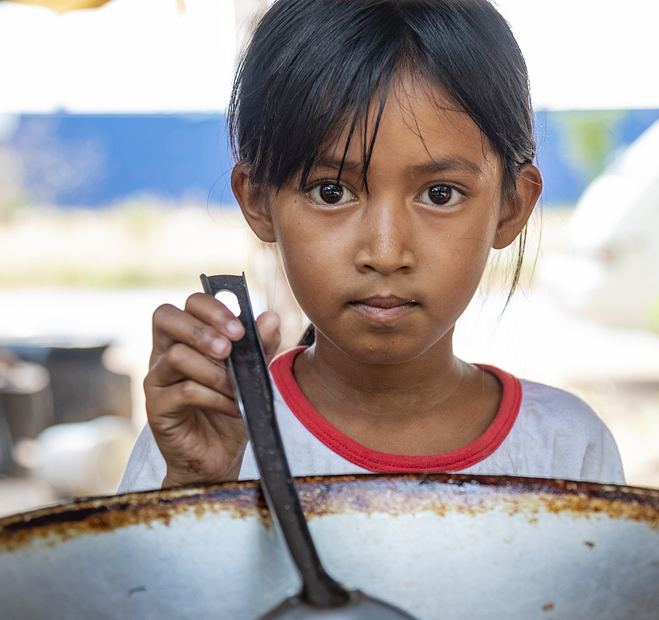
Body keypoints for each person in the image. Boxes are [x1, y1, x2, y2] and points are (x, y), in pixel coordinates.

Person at [118, 0, 623, 492]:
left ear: (511, 206)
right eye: (331, 192)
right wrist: (195, 489)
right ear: (258, 202)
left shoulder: (565, 450)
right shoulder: (204, 433)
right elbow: (138, 580)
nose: (384, 252)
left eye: (440, 194)